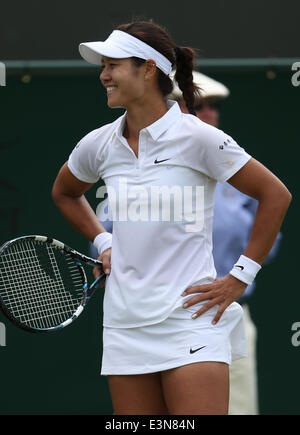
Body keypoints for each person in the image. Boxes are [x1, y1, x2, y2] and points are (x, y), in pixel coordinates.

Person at [52, 21, 291, 415]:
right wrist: (104, 241)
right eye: (103, 66)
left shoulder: (199, 137)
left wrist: (239, 277)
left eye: (113, 65)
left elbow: (275, 196)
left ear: (147, 69)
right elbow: (64, 192)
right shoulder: (98, 144)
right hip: (125, 325)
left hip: (191, 321)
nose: (103, 75)